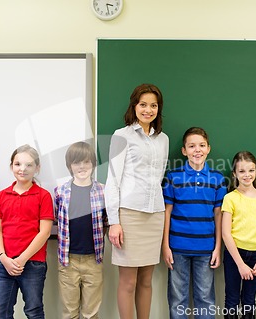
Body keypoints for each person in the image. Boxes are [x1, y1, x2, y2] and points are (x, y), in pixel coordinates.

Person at [105, 83, 169, 319]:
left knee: (146, 281)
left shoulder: (163, 139)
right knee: (128, 282)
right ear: (134, 106)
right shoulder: (121, 136)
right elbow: (113, 179)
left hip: (155, 214)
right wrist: (114, 221)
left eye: (153, 105)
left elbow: (159, 176)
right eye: (143, 104)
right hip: (129, 215)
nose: (148, 110)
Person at [162, 127, 226, 319]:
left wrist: (217, 248)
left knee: (205, 299)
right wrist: (165, 245)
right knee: (177, 299)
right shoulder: (172, 177)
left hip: (206, 249)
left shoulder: (218, 179)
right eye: (191, 146)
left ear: (208, 149)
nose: (197, 150)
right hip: (177, 248)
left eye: (201, 145)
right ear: (184, 151)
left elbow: (218, 216)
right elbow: (167, 213)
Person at [0, 144, 54, 319]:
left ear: (37, 168)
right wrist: (3, 257)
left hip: (33, 263)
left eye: (29, 165)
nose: (23, 169)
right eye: (18, 164)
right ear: (12, 166)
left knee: (33, 311)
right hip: (5, 264)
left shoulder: (43, 196)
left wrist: (21, 259)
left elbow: (44, 232)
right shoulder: (2, 195)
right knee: (1, 313)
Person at [54, 141, 108, 319]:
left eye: (86, 162)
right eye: (77, 162)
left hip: (94, 260)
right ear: (70, 166)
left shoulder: (103, 191)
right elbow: (57, 219)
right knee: (69, 312)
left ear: (93, 163)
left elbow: (107, 221)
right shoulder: (61, 192)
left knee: (91, 313)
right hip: (68, 260)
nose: (82, 166)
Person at [221, 151, 256, 319]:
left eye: (251, 170)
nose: (247, 175)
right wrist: (240, 264)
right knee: (232, 300)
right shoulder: (230, 198)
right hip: (235, 254)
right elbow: (226, 233)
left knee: (249, 300)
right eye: (242, 171)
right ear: (234, 173)